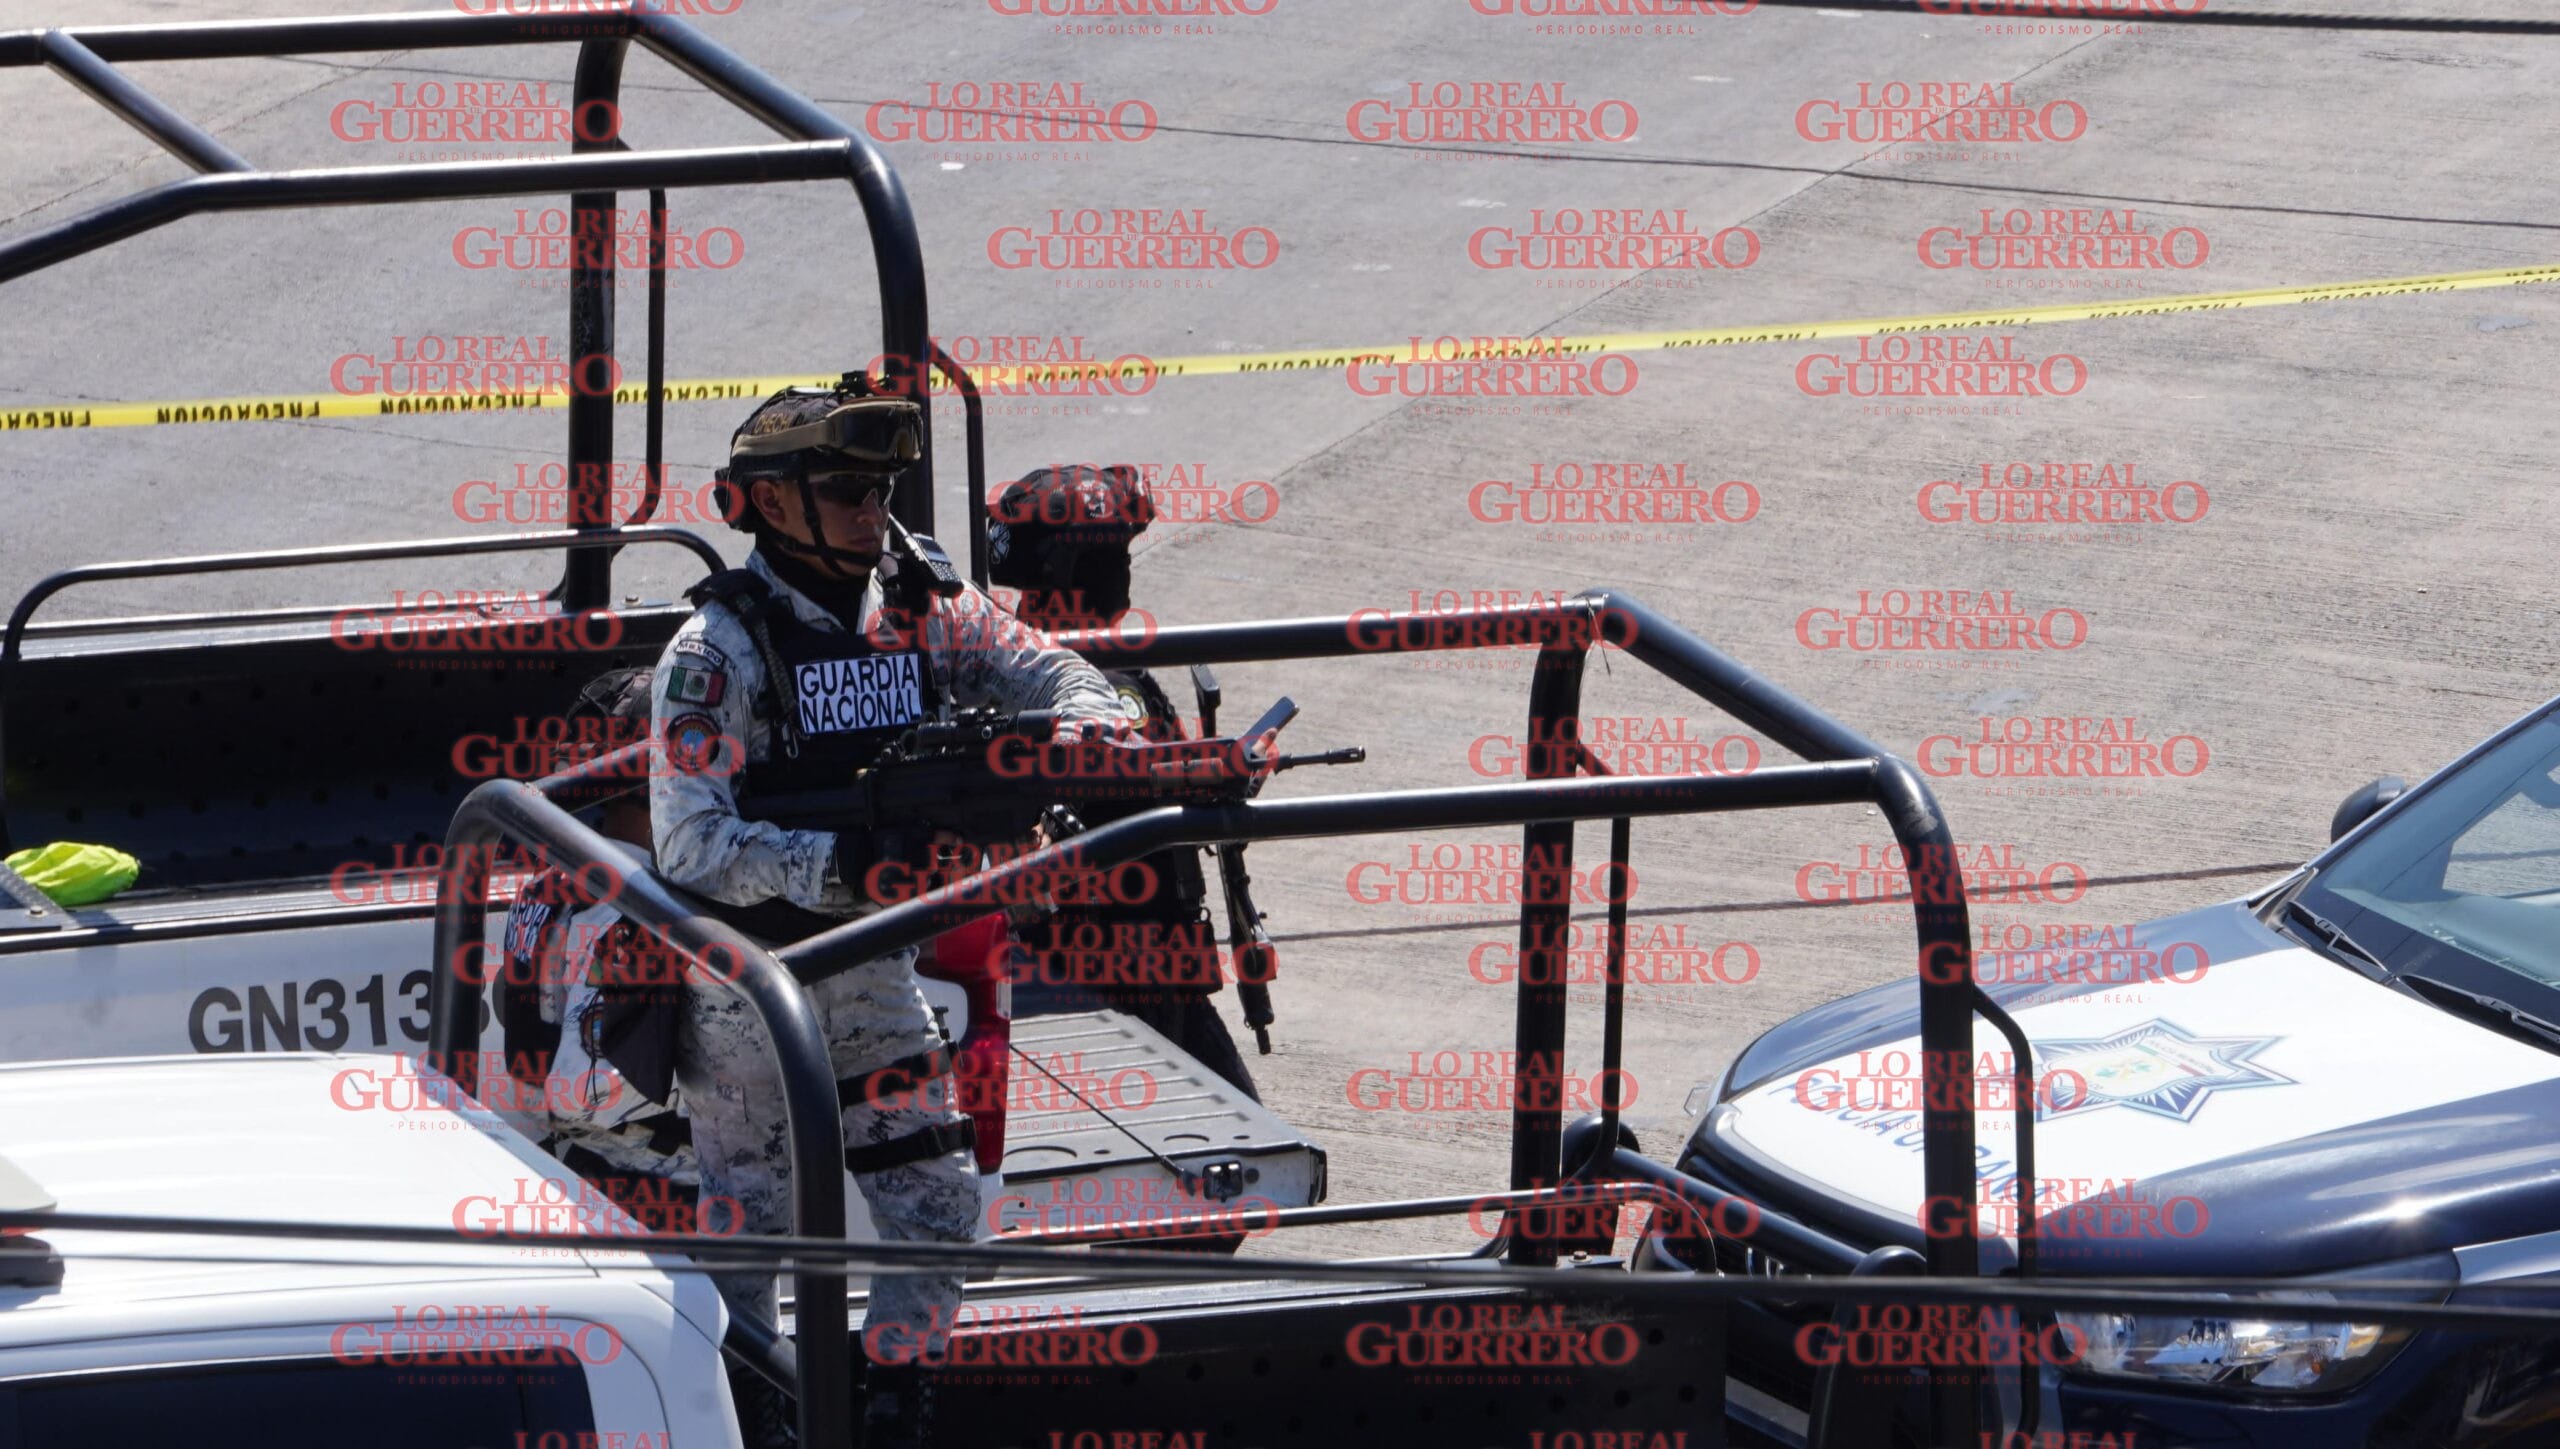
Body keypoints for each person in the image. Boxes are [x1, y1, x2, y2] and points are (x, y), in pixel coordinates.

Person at [650, 374, 1129, 1449]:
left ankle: (889, 1401)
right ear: (771, 503)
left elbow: (1045, 671)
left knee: (938, 1203)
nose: (874, 512)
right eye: (844, 489)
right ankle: (760, 1423)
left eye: (882, 489)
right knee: (751, 1239)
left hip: (870, 973)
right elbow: (689, 842)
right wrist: (848, 866)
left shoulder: (921, 610)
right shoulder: (716, 654)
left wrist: (1092, 727)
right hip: (748, 989)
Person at [987, 463, 1260, 1102]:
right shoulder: (1084, 678)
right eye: (1108, 557)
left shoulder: (1026, 658)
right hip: (1106, 978)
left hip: (1144, 974)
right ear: (1062, 568)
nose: (1123, 573)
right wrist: (1211, 774)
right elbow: (1123, 777)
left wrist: (1216, 768)